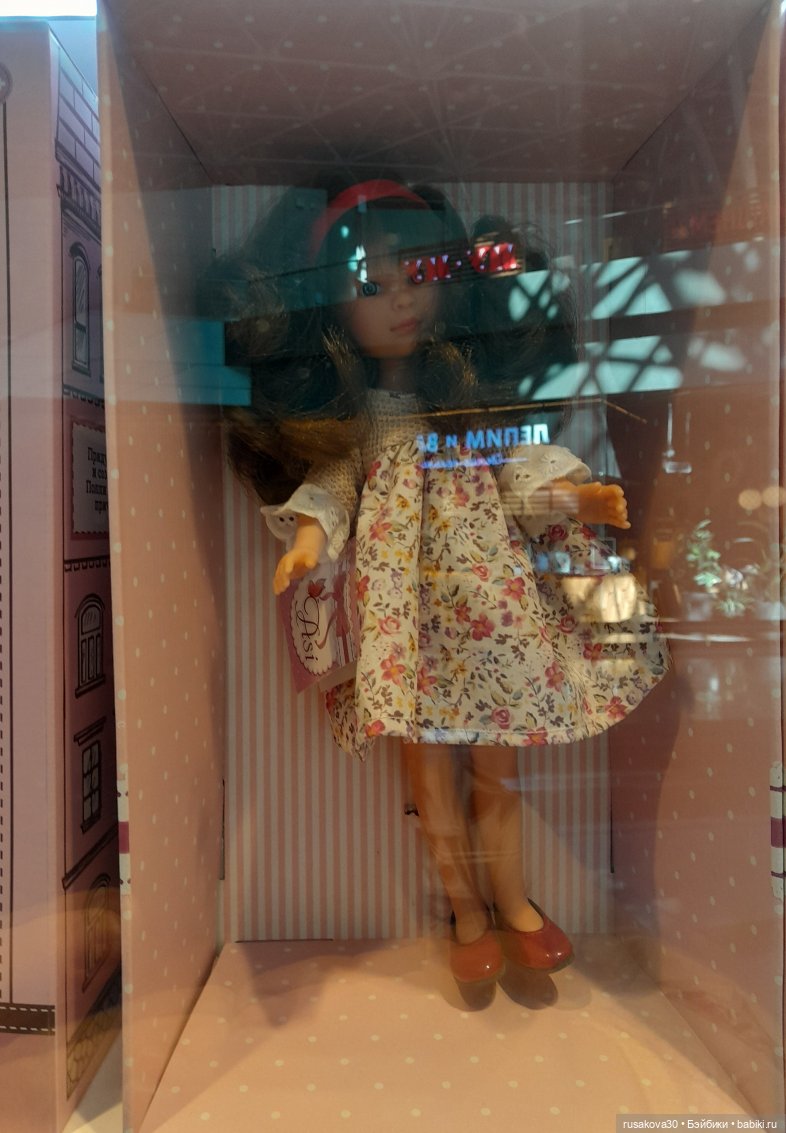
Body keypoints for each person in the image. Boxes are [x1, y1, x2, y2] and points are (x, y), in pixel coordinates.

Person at [213, 176, 667, 990]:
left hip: (490, 616)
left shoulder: (469, 409)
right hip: (405, 627)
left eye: (417, 275)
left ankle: (514, 904)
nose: (400, 300)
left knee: (499, 768)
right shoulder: (366, 423)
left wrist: (575, 497)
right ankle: (466, 913)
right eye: (371, 286)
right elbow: (333, 488)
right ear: (332, 311)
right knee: (429, 777)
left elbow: (519, 472)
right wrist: (308, 541)